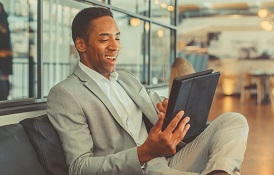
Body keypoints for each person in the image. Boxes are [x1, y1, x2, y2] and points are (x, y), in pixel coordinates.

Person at [47, 7, 249, 175]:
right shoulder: (66, 93)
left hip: (167, 162)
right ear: (81, 44)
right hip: (136, 169)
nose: (114, 46)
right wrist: (143, 153)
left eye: (117, 38)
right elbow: (79, 168)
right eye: (104, 39)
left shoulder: (126, 79)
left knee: (234, 120)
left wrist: (167, 108)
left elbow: (158, 105)